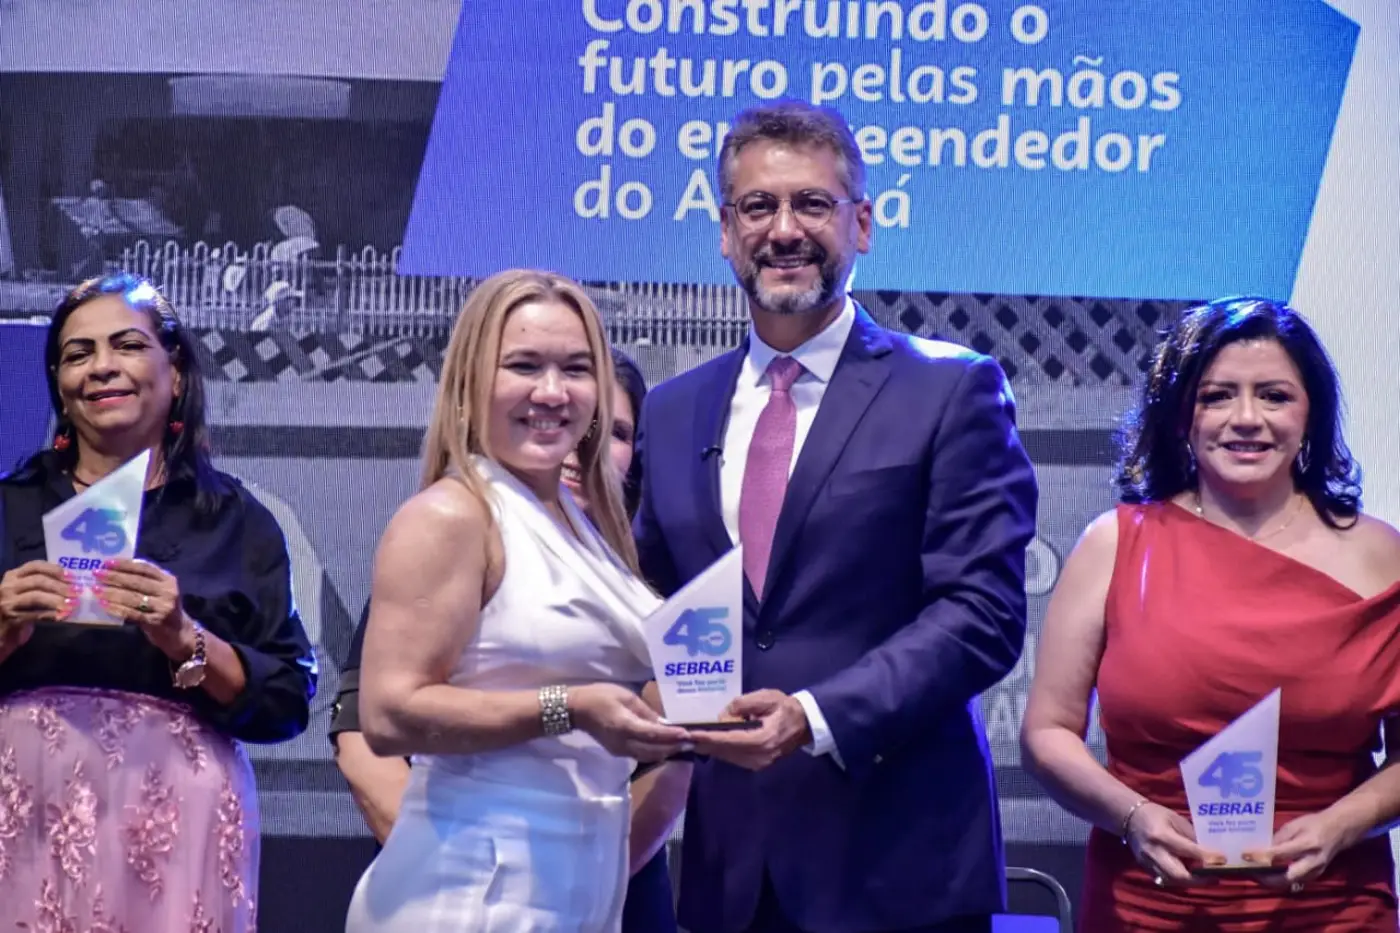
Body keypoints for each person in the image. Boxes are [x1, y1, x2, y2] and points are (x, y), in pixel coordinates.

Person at [633, 100, 1039, 933]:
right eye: (758, 206)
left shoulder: (951, 389)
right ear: (725, 232)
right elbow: (648, 603)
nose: (784, 230)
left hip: (903, 871)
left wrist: (815, 716)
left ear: (863, 222)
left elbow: (982, 615)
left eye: (812, 204)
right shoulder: (671, 412)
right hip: (729, 875)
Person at [1020, 297, 1400, 931]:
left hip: (1333, 905)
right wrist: (1133, 817)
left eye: (1274, 396)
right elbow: (1047, 734)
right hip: (1148, 903)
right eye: (1217, 396)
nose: (1246, 419)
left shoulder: (1384, 558)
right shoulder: (1115, 544)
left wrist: (1341, 825)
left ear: (1311, 413)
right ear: (1179, 416)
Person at [343, 269, 691, 932]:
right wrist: (572, 708)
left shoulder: (581, 523)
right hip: (472, 888)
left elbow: (612, 687)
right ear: (472, 381)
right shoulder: (452, 515)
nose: (553, 392)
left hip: (575, 884)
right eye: (525, 365)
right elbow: (388, 714)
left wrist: (707, 715)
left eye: (576, 368)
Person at [0, 273, 317, 931]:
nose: (101, 366)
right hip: (19, 822)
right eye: (78, 353)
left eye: (127, 345)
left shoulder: (238, 521)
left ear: (174, 370)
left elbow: (287, 700)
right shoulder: (8, 507)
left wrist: (186, 639)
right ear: (58, 381)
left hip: (173, 831)